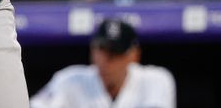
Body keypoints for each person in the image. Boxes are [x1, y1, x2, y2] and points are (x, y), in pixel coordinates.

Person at [31, 19, 176, 108]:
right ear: (92, 49)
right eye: (102, 50)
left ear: (133, 55)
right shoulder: (69, 79)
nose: (106, 60)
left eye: (115, 53)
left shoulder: (155, 79)